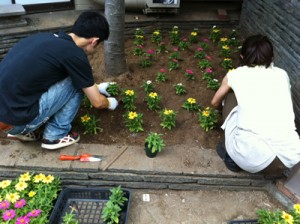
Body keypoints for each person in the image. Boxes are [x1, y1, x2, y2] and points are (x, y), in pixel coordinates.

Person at [0, 11, 118, 150]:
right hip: (17, 121)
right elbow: (97, 103)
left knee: (71, 77)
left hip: (5, 116)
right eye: (99, 44)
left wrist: (96, 87)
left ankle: (20, 131)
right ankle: (55, 135)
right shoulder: (75, 55)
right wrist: (110, 103)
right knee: (76, 83)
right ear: (94, 41)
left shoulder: (45, 38)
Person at [211, 34, 300, 176]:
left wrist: (222, 110)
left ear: (242, 57)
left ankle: (232, 157)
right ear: (271, 58)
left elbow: (214, 102)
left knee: (230, 96)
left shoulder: (236, 75)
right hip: (290, 157)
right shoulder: (282, 74)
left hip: (251, 159)